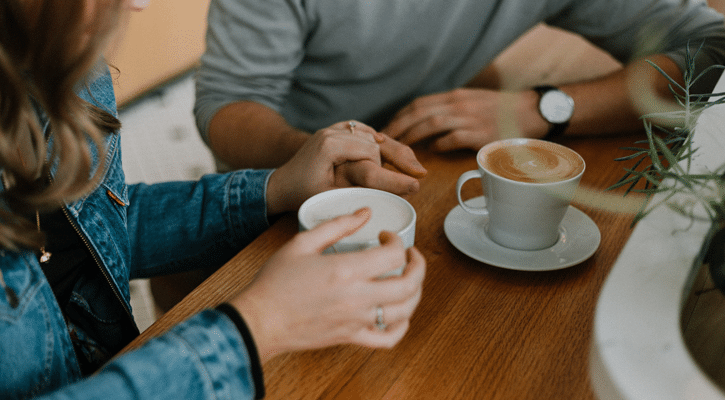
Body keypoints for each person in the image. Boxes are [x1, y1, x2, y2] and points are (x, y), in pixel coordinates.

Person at [0, 1, 426, 399]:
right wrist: (256, 328)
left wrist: (275, 187)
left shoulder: (56, 61)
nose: (141, 3)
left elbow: (97, 229)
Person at [194, 0, 725, 167]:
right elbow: (229, 103)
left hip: (435, 159)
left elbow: (714, 45)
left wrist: (549, 108)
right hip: (283, 177)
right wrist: (311, 154)